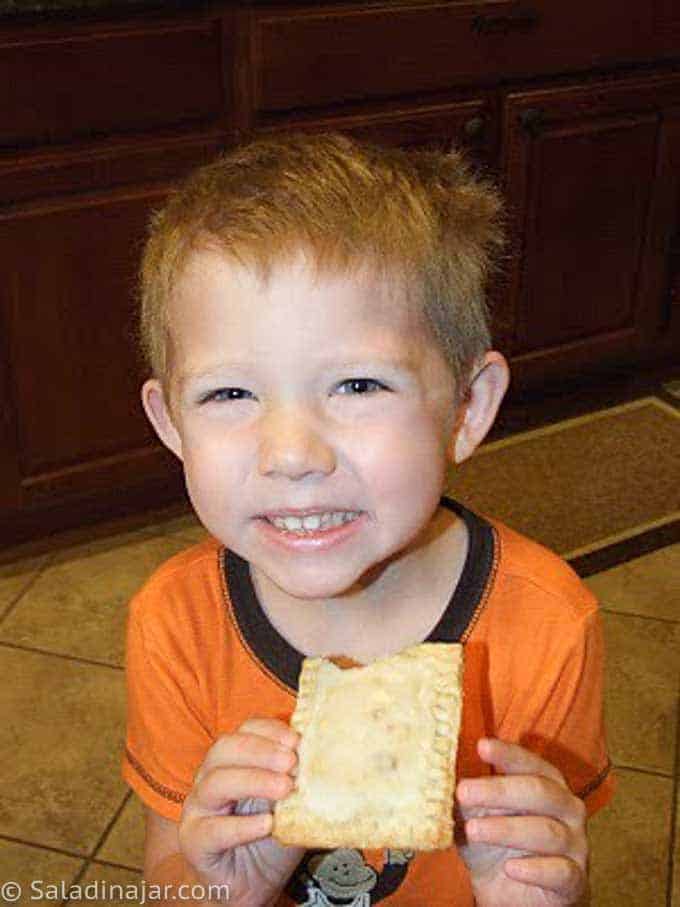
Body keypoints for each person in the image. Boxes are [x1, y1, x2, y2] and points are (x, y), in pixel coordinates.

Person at [123, 132, 614, 907]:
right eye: (229, 394)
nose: (290, 453)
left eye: (356, 385)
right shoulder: (172, 622)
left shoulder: (550, 625)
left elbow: (560, 872)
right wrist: (221, 889)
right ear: (171, 423)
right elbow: (169, 875)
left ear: (466, 407)